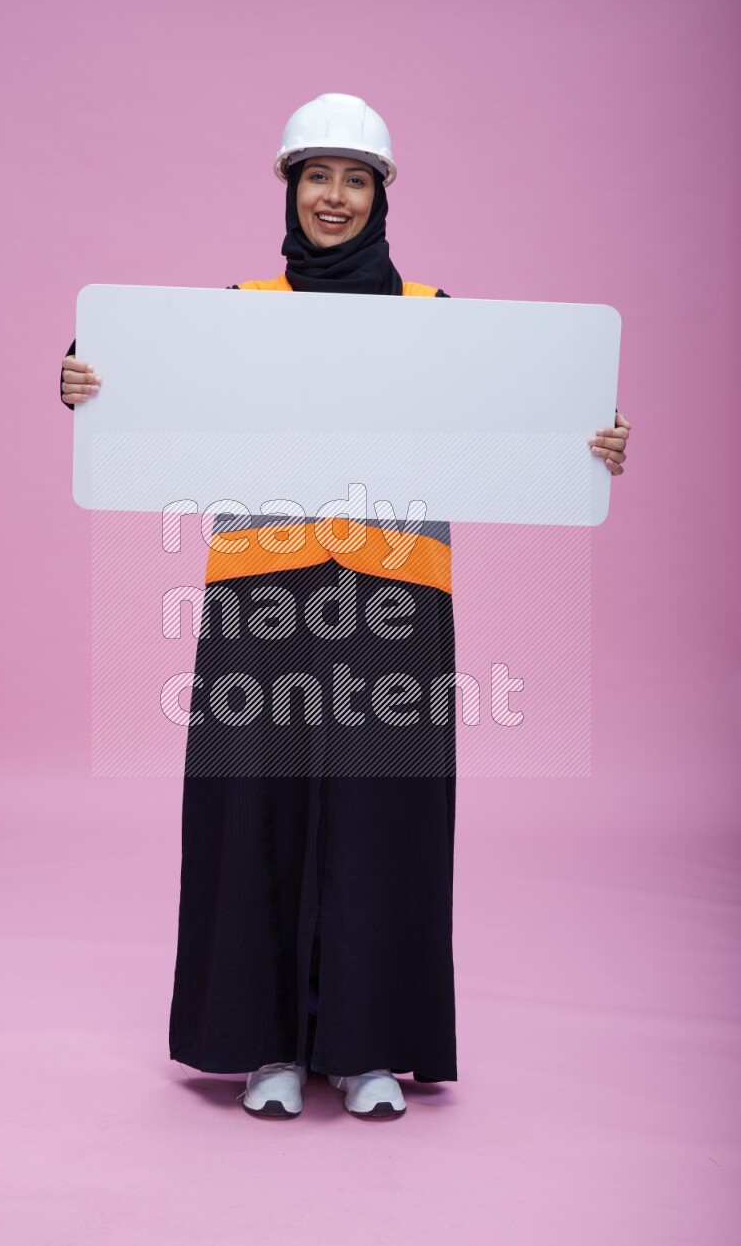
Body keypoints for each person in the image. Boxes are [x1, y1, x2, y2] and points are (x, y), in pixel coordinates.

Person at [60, 93, 632, 1121]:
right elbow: (135, 387)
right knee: (254, 816)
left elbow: (520, 427)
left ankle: (372, 1044)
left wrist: (586, 443)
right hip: (262, 596)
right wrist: (81, 381)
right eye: (316, 175)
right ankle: (261, 1046)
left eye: (354, 178)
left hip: (395, 599)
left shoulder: (436, 318)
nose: (334, 196)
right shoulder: (229, 312)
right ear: (289, 187)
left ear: (381, 195)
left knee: (384, 815)